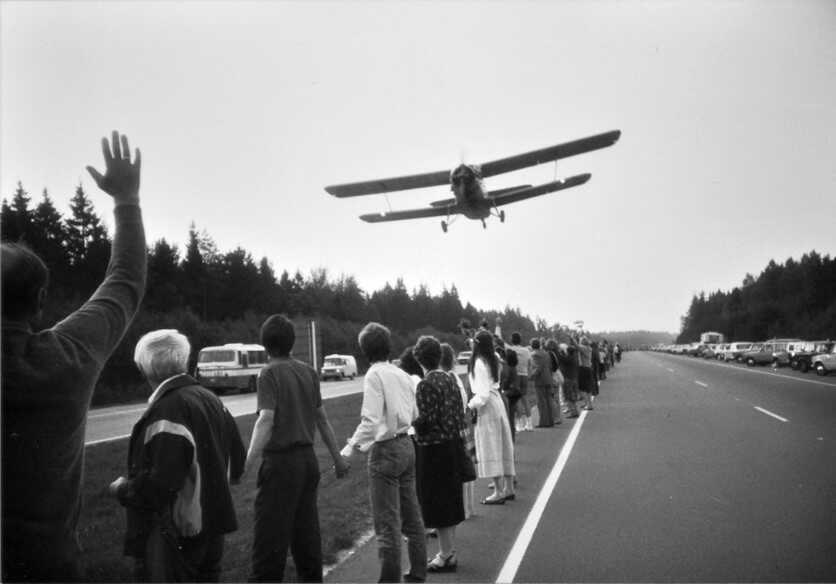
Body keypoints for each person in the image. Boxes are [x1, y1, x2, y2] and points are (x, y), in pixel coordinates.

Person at [2, 132, 146, 581]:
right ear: (41, 299)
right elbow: (124, 280)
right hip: (51, 566)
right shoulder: (69, 358)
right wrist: (127, 200)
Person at [108, 330, 246, 581]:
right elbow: (238, 462)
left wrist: (123, 489)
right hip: (213, 530)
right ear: (184, 360)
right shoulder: (211, 399)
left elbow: (160, 486)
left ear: (145, 367)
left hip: (177, 535)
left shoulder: (167, 409)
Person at [245, 315, 350, 582]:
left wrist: (244, 465)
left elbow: (266, 420)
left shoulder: (268, 373)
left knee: (269, 541)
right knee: (306, 537)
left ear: (265, 345)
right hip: (307, 462)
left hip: (280, 464)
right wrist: (338, 460)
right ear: (292, 343)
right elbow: (322, 420)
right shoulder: (308, 372)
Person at [341, 323, 426, 583]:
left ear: (364, 351)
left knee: (387, 524)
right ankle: (418, 573)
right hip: (406, 445)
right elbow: (415, 414)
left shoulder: (374, 375)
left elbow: (370, 420)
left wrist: (349, 449)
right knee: (412, 517)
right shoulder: (401, 374)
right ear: (388, 346)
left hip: (386, 450)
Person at [412, 336, 467, 573]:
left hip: (434, 448)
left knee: (437, 501)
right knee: (451, 498)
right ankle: (449, 550)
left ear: (419, 359)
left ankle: (446, 554)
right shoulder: (450, 379)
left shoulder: (425, 384)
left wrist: (411, 424)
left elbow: (427, 420)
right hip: (453, 443)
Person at [467, 331, 515, 505]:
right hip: (498, 401)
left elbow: (482, 394)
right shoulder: (494, 357)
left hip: (487, 405)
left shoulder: (479, 363)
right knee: (503, 443)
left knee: (491, 445)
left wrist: (469, 406)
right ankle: (509, 487)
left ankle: (498, 490)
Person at [440, 343, 476, 520]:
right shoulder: (455, 377)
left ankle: (463, 508)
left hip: (454, 427)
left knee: (458, 471)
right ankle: (468, 507)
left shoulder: (445, 379)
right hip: (462, 424)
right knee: (465, 468)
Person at [507, 332, 533, 432]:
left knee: (516, 400)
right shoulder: (526, 350)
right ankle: (529, 423)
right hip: (525, 375)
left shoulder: (510, 349)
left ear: (512, 340)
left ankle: (519, 423)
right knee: (525, 399)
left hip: (515, 375)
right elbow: (530, 363)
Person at [529, 339, 556, 427]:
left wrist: (531, 377)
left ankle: (544, 422)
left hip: (540, 380)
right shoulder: (546, 353)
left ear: (532, 345)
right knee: (549, 401)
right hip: (548, 378)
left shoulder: (534, 354)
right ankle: (551, 420)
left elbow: (537, 368)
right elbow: (550, 366)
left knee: (542, 402)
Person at [557, 341, 581, 418]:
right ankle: (575, 411)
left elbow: (560, 357)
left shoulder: (568, 359)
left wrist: (557, 350)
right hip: (573, 379)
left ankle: (573, 412)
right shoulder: (574, 357)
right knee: (572, 396)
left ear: (568, 351)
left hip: (568, 379)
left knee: (568, 397)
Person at [577, 336, 595, 410]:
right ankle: (587, 403)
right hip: (588, 368)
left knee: (583, 388)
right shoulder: (589, 348)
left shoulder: (583, 348)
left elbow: (576, 346)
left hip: (584, 369)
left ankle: (589, 404)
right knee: (587, 387)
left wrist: (572, 338)